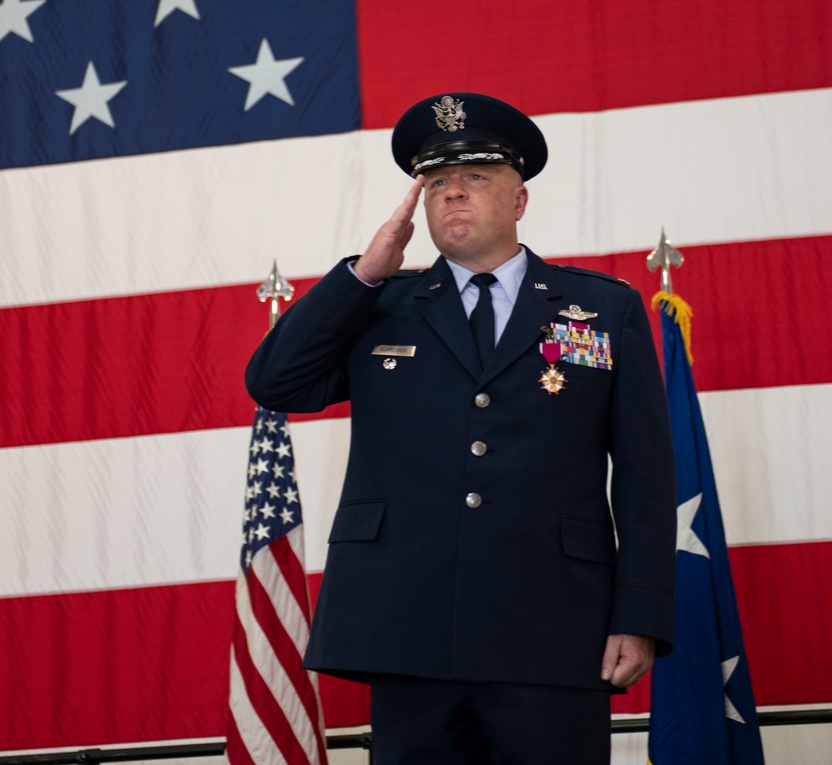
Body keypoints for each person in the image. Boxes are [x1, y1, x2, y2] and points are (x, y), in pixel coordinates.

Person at [245, 93, 676, 764]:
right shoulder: (380, 303)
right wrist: (361, 274)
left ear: (518, 199)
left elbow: (647, 475)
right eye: (438, 182)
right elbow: (274, 381)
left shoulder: (600, 308)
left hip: (553, 627)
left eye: (474, 177)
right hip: (408, 629)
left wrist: (640, 614)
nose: (452, 195)